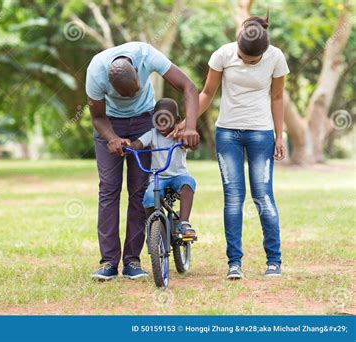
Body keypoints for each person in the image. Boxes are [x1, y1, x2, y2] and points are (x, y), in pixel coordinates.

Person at [175, 13, 289, 279]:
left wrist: (279, 135)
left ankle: (274, 261)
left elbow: (277, 97)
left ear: (264, 52)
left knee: (263, 196)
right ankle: (234, 263)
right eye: (242, 56)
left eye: (251, 60)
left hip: (261, 134)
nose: (244, 62)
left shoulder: (276, 57)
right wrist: (186, 121)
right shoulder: (223, 55)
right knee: (233, 198)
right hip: (227, 134)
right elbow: (206, 94)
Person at [86, 42, 200, 281]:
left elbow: (188, 87)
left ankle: (132, 261)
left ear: (138, 71)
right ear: (108, 84)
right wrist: (113, 139)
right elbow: (97, 116)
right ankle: (108, 262)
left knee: (140, 191)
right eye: (124, 95)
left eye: (135, 91)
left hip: (143, 122)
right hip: (110, 124)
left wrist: (190, 127)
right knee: (109, 189)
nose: (131, 97)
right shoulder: (96, 71)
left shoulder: (146, 54)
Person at [131, 98, 197, 239]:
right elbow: (138, 144)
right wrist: (129, 147)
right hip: (158, 177)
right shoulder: (152, 134)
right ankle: (153, 226)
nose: (162, 122)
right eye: (158, 118)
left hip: (178, 175)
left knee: (188, 184)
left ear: (177, 120)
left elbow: (191, 144)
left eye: (166, 118)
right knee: (149, 197)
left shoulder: (179, 134)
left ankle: (183, 222)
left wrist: (189, 141)